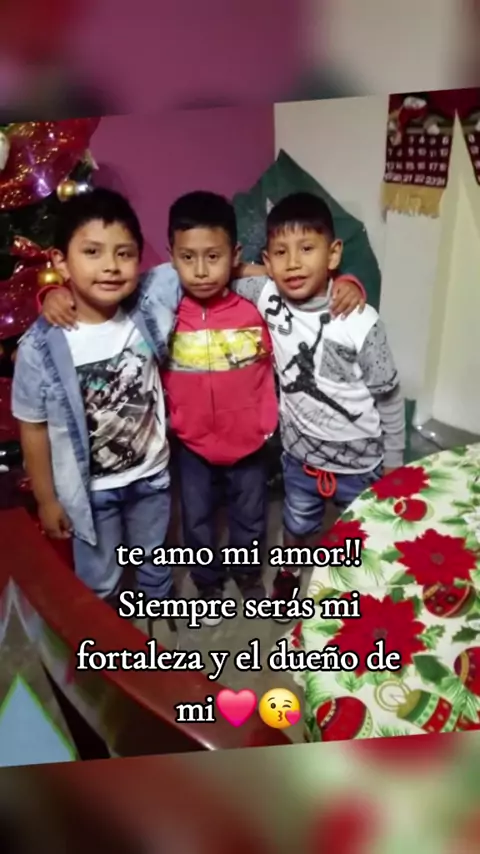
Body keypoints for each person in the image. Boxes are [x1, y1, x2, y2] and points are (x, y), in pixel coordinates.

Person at [38, 190, 366, 626]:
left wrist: (346, 281)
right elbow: (97, 293)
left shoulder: (258, 301)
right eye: (187, 258)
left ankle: (247, 574)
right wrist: (52, 294)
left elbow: (302, 287)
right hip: (190, 445)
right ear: (171, 256)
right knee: (196, 522)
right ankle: (207, 583)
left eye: (213, 257)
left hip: (251, 443)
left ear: (234, 256)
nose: (201, 270)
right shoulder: (158, 304)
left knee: (250, 519)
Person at [232, 192, 405, 618]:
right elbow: (220, 271)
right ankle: (290, 574)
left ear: (333, 254)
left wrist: (395, 463)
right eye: (281, 253)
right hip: (301, 458)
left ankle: (356, 591)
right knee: (296, 524)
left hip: (362, 463)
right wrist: (268, 271)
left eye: (307, 249)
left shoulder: (360, 321)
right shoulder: (266, 295)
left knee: (361, 534)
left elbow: (388, 395)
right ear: (267, 261)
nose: (293, 263)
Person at [11, 188, 181, 609]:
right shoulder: (40, 346)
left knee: (155, 558)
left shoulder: (148, 307)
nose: (110, 266)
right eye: (92, 252)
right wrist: (46, 499)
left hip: (150, 477)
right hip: (90, 493)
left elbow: (206, 260)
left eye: (124, 254)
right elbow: (32, 427)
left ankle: (159, 613)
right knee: (99, 578)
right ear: (60, 261)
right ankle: (105, 635)